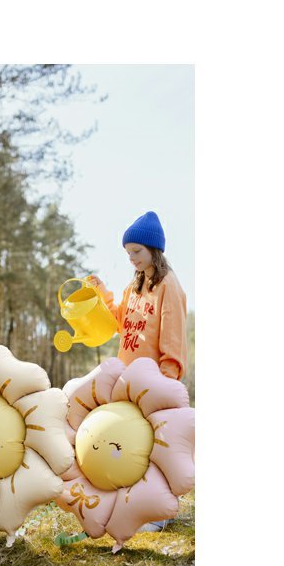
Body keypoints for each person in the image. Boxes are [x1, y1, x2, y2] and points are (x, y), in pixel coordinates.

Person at [87, 210, 188, 532]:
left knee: (157, 445)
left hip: (155, 380)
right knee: (131, 443)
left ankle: (160, 512)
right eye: (128, 253)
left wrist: (166, 380)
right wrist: (101, 293)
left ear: (153, 249)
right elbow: (121, 322)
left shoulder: (169, 286)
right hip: (128, 380)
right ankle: (134, 505)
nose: (131, 258)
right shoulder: (135, 286)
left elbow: (173, 334)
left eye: (136, 251)